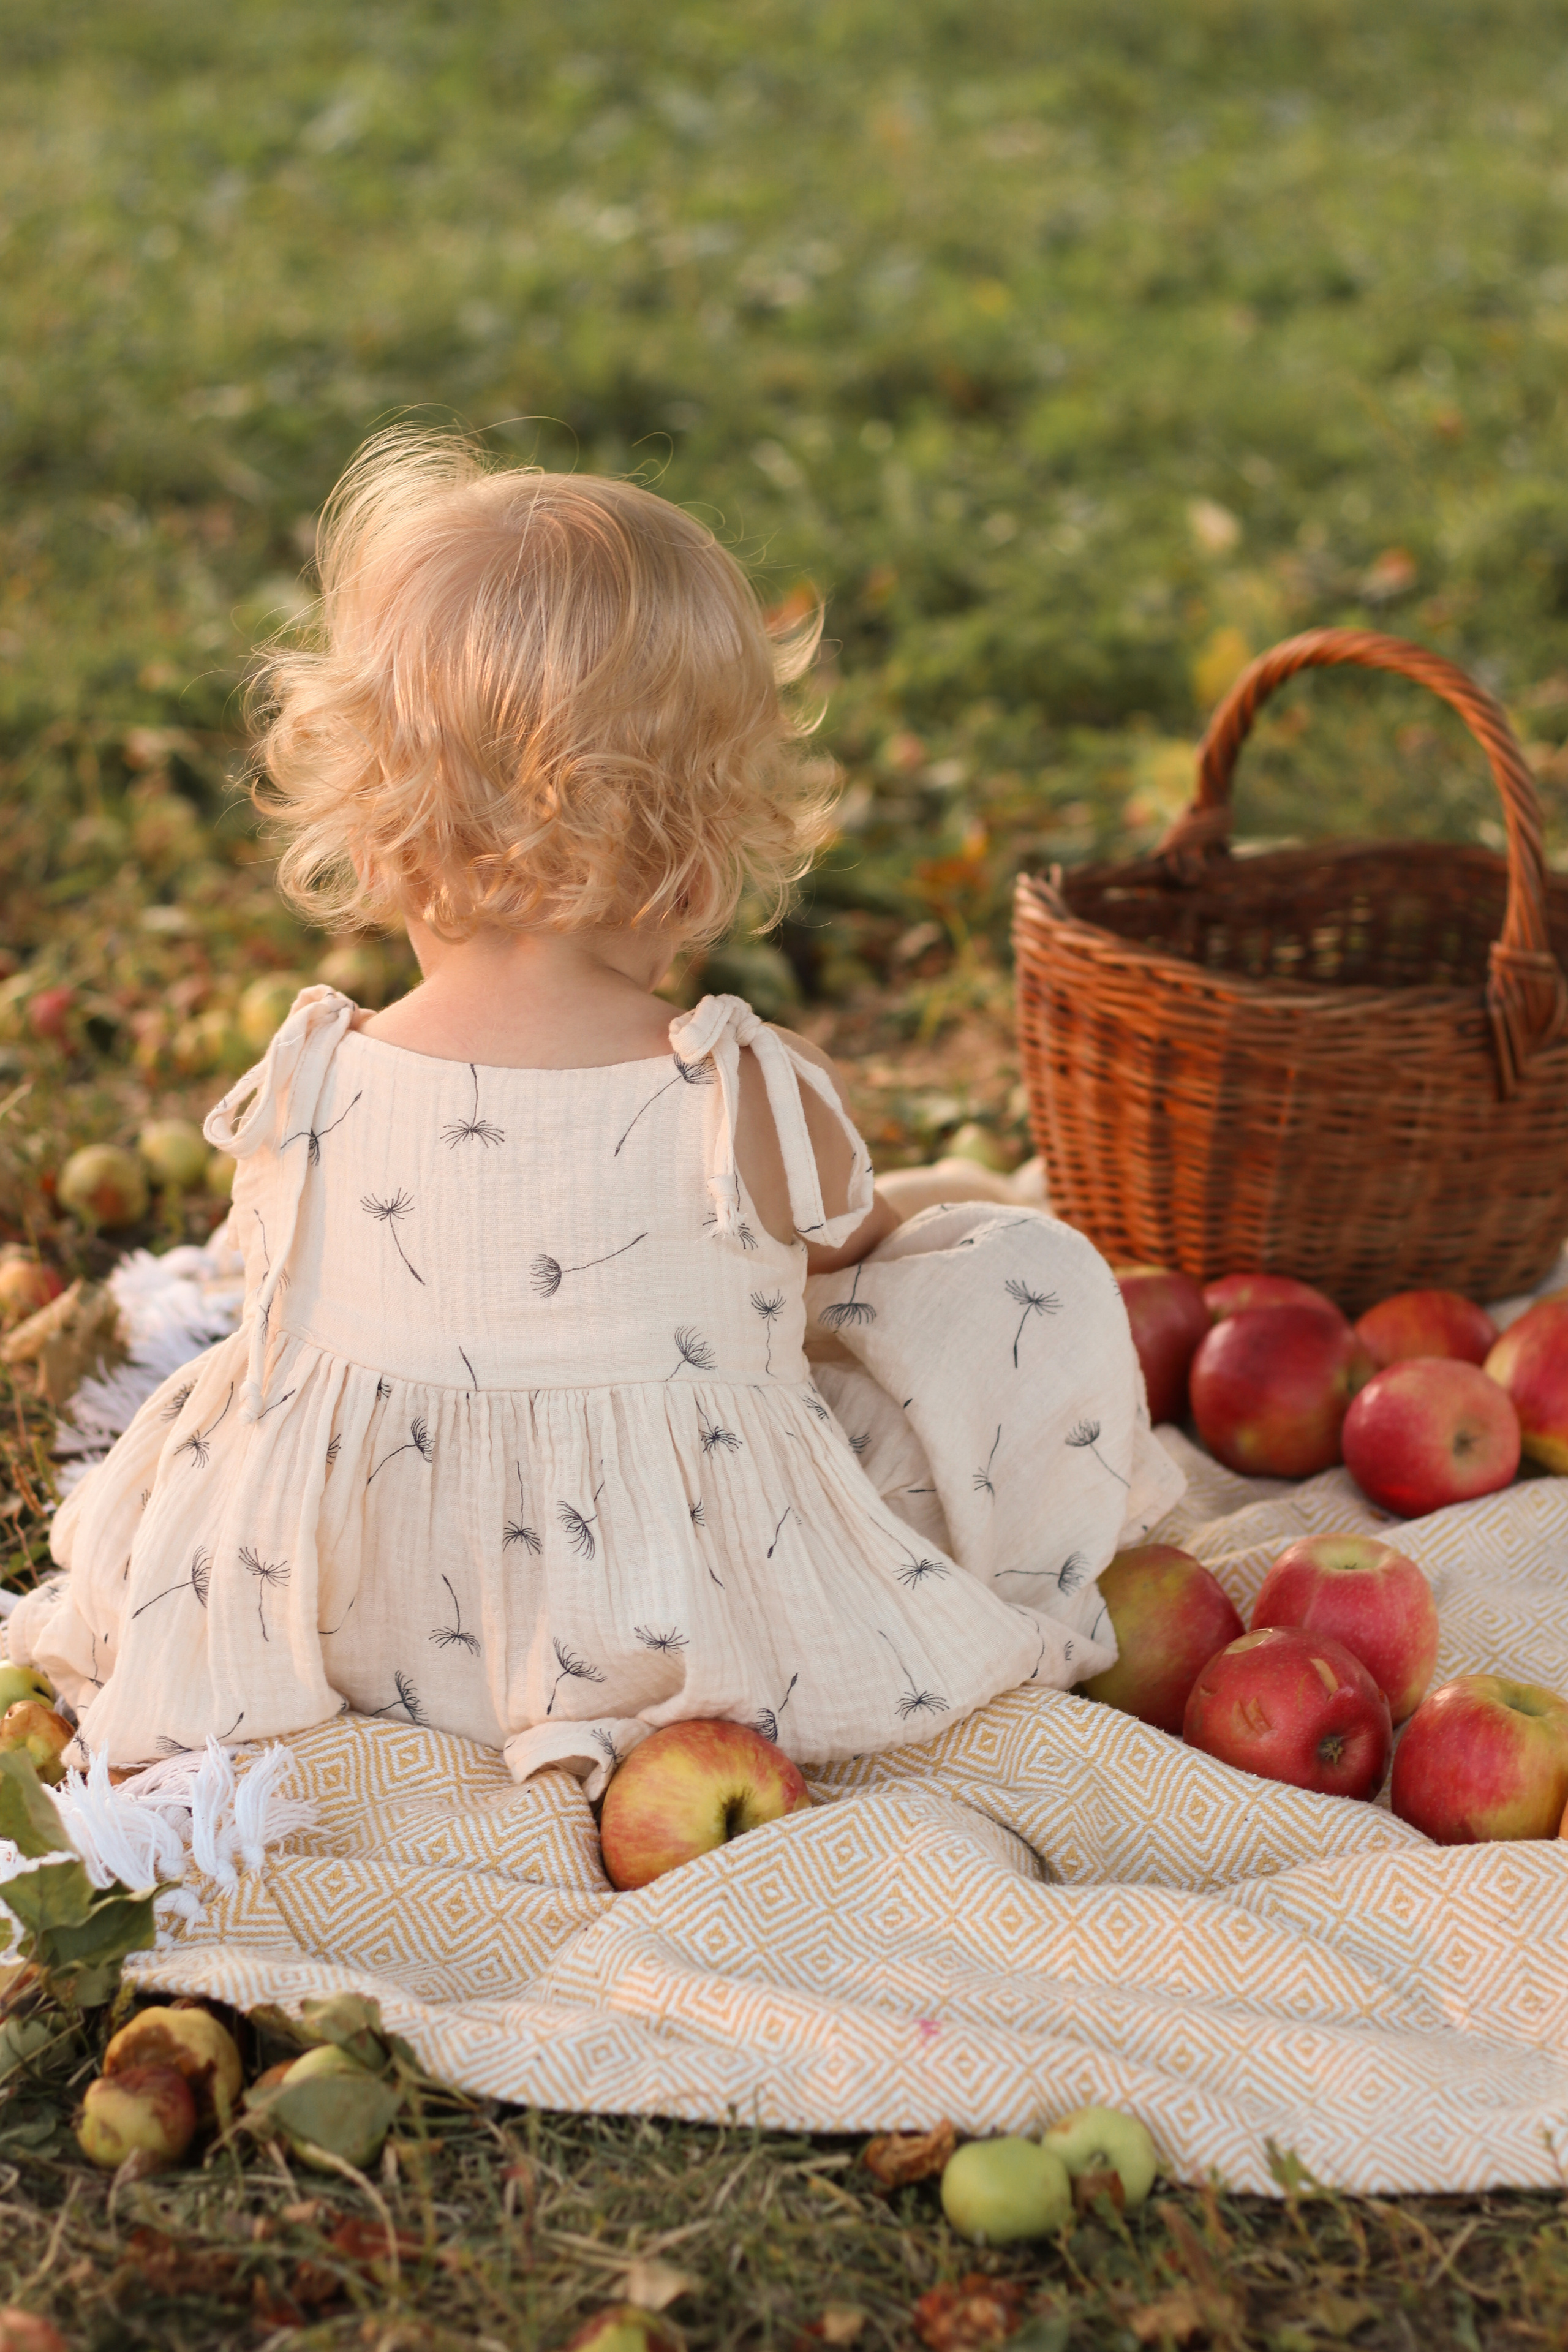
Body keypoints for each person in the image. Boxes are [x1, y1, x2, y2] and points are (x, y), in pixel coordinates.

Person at [10, 433, 1182, 1792]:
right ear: (704, 854)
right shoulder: (732, 1086)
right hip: (672, 1629)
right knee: (1018, 1279)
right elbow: (856, 1265)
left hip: (360, 1614)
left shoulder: (315, 1076)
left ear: (377, 830)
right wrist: (942, 1212)